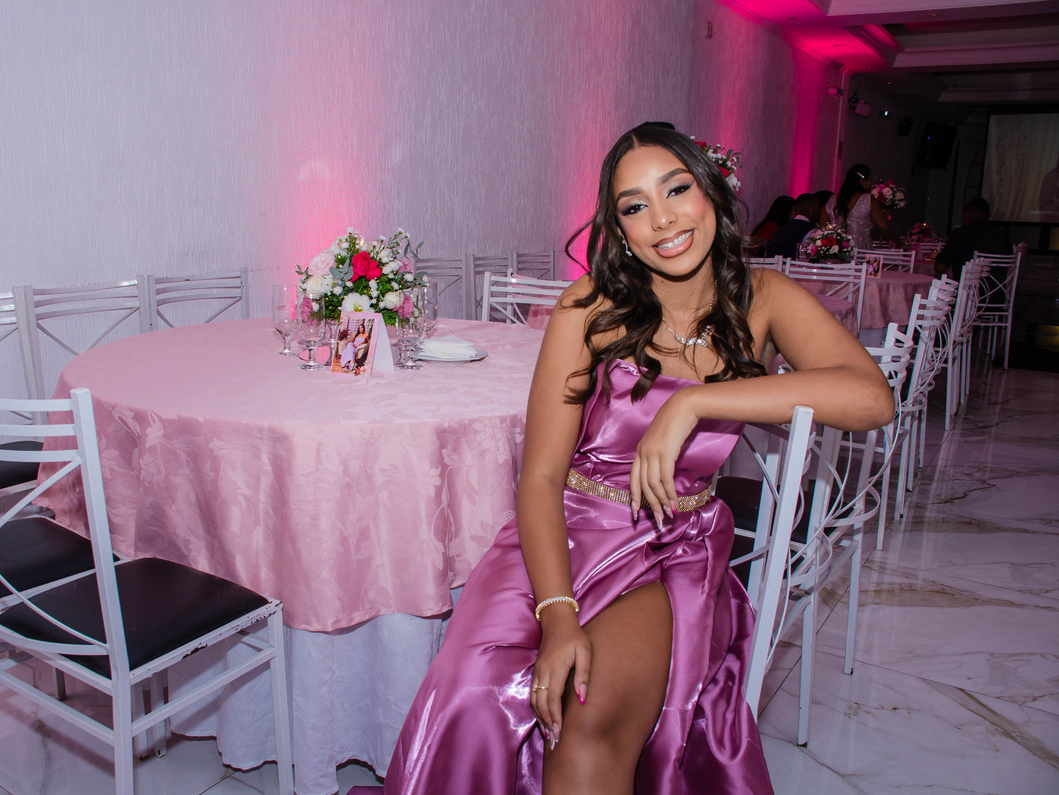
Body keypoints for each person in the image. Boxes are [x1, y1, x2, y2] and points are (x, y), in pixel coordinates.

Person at [381, 122, 893, 794]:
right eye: (634, 205)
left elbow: (872, 398)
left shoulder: (764, 299)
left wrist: (695, 403)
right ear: (620, 229)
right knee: (473, 688)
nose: (663, 219)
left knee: (587, 716)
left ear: (711, 192)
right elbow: (540, 477)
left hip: (671, 543)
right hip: (565, 529)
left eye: (676, 189)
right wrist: (558, 616)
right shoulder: (588, 307)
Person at [935, 197, 1012, 278]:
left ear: (967, 214)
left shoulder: (960, 234)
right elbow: (1007, 266)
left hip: (967, 285)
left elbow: (939, 268)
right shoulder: (1003, 235)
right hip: (997, 285)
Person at [827, 164, 899, 249]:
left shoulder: (832, 200)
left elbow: (823, 226)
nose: (872, 183)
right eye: (870, 179)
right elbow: (884, 227)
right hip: (860, 250)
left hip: (836, 249)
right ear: (862, 182)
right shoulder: (868, 199)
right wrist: (899, 242)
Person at [767, 193, 821, 259]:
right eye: (818, 208)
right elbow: (810, 257)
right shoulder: (811, 231)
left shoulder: (783, 228)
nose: (819, 212)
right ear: (810, 210)